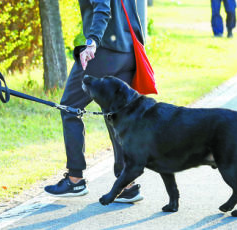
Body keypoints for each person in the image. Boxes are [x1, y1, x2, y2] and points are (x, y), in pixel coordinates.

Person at [44, 0, 145, 203]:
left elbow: (103, 7)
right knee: (116, 115)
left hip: (103, 50)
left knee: (69, 107)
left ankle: (75, 179)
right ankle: (127, 185)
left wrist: (92, 41)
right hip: (128, 49)